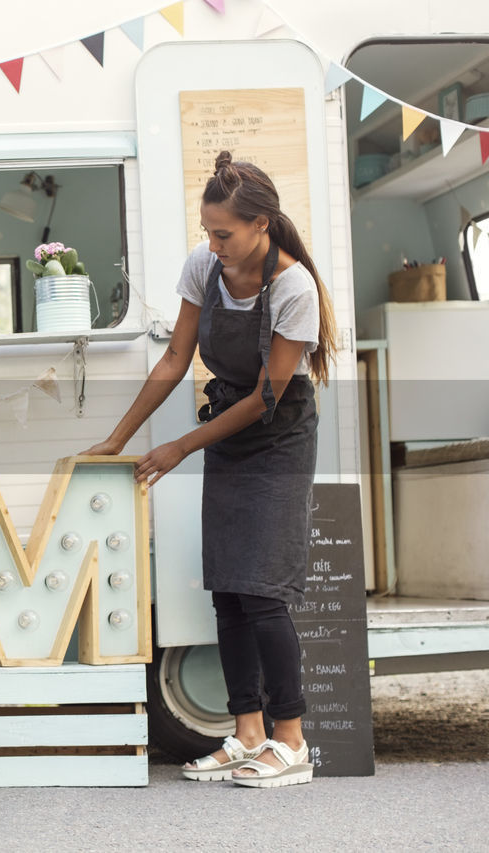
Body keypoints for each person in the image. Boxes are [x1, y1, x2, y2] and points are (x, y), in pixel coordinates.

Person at [83, 151, 336, 788]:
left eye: (223, 233)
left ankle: (292, 740)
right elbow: (174, 359)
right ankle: (247, 733)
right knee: (227, 587)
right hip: (228, 422)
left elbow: (268, 398)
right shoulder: (206, 268)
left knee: (263, 589)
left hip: (277, 434)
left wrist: (181, 447)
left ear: (261, 225)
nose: (212, 244)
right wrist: (115, 440)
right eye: (208, 231)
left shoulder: (295, 287)